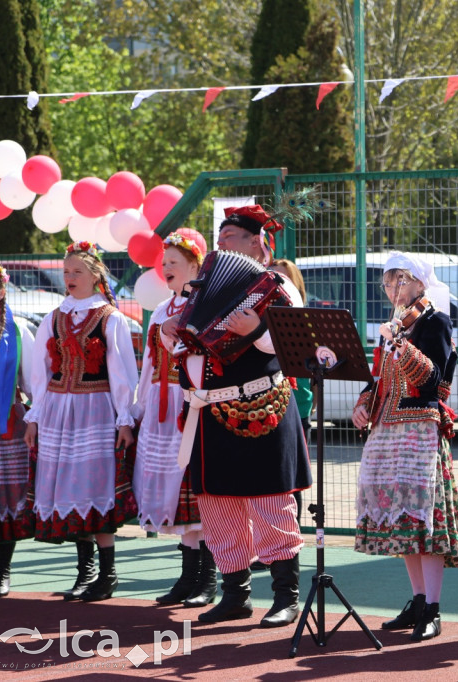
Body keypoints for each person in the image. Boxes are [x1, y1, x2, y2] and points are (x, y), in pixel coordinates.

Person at [161, 205, 311, 627]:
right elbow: (187, 345)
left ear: (257, 243)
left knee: (270, 501)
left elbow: (294, 350)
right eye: (221, 235)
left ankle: (286, 596)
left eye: (230, 235)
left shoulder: (278, 287)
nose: (222, 242)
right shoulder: (203, 285)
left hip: (261, 404)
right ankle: (235, 594)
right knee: (217, 504)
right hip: (209, 409)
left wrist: (257, 332)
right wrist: (170, 332)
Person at [351, 252, 458, 642]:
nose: (392, 288)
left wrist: (399, 344)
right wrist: (364, 402)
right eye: (387, 282)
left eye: (400, 280)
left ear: (419, 282)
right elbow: (379, 379)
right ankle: (417, 601)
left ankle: (433, 607)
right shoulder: (393, 325)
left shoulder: (434, 320)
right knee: (404, 522)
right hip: (387, 431)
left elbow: (434, 381)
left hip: (419, 430)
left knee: (425, 520)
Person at [23, 241, 139, 602]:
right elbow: (41, 374)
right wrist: (35, 417)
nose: (70, 278)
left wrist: (125, 419)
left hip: (95, 410)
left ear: (95, 276)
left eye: (77, 272)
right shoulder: (54, 317)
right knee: (70, 489)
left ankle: (107, 574)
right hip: (58, 411)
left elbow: (123, 373)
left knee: (95, 485)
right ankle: (85, 571)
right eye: (66, 271)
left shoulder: (110, 318)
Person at [133, 231, 217, 608]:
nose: (166, 267)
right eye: (163, 262)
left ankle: (209, 579)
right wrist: (138, 410)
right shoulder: (162, 309)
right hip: (162, 412)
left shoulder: (207, 306)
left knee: (198, 495)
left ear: (195, 267)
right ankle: (188, 578)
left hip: (192, 409)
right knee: (176, 497)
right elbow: (150, 365)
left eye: (174, 263)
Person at [0, 259, 35, 597]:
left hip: (4, 423)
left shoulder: (16, 331)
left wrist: (36, 418)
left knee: (7, 492)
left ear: (1, 293)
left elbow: (33, 383)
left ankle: (3, 569)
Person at [267, 258, 312, 525]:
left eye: (282, 279)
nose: (276, 284)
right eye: (270, 277)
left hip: (295, 406)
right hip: (264, 406)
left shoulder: (304, 320)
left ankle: (288, 536)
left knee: (289, 476)